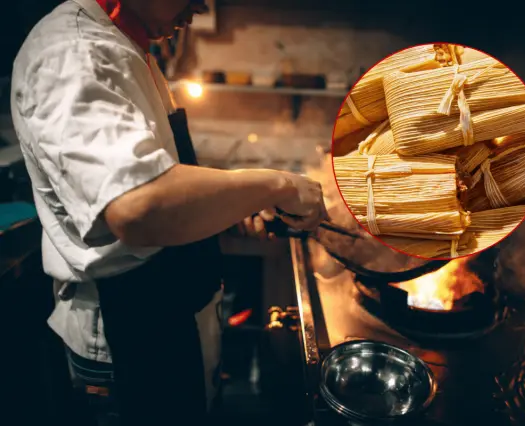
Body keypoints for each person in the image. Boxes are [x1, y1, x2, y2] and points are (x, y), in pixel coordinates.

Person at [10, 0, 328, 425]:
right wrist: (276, 184)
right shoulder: (76, 51)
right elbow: (139, 207)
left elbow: (160, 183)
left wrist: (232, 204)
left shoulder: (126, 46)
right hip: (128, 334)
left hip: (167, 314)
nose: (200, 6)